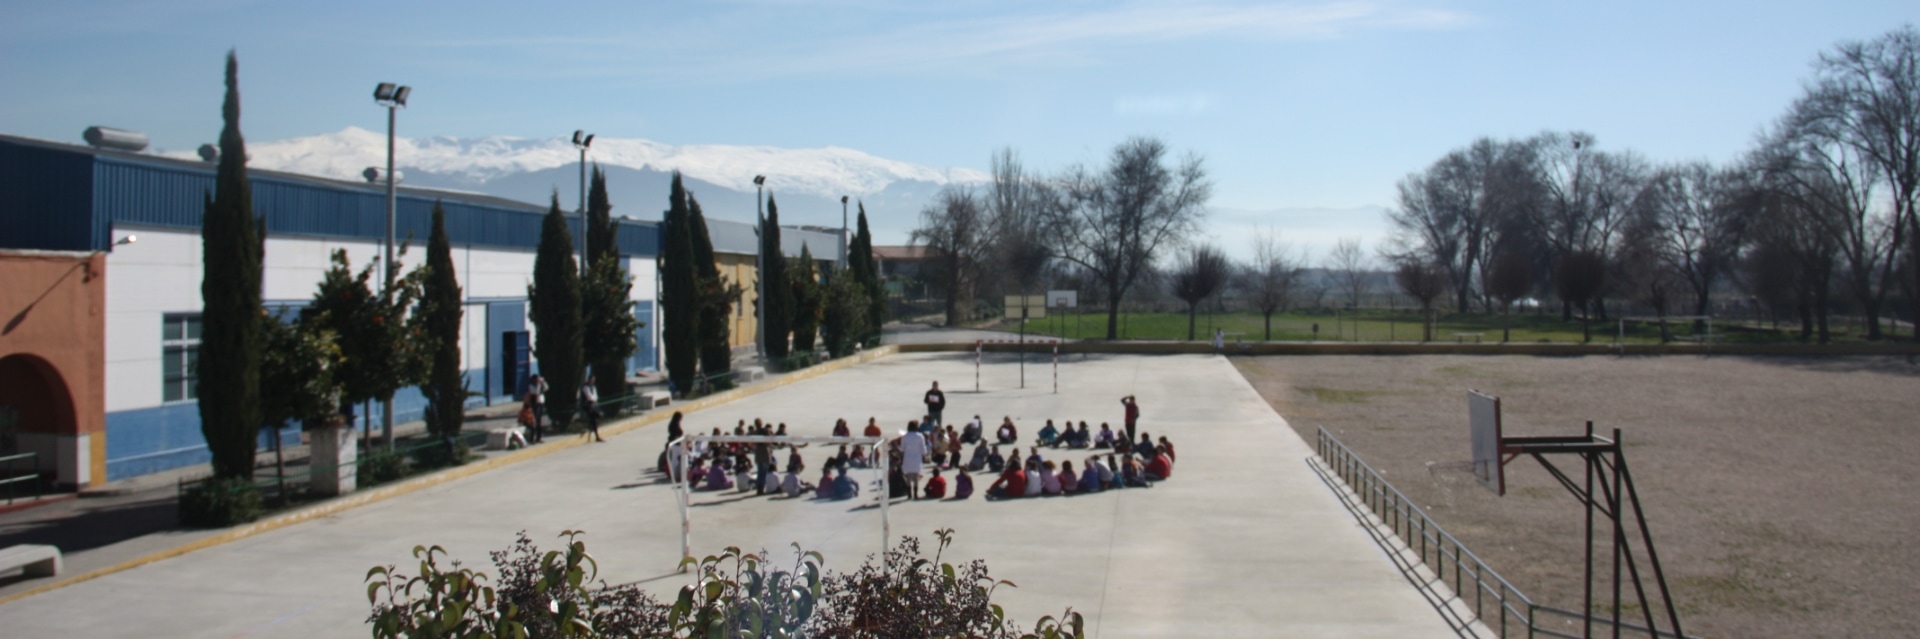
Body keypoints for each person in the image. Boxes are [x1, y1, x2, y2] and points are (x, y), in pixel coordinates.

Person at [898, 424, 929, 500]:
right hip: (917, 458)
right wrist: (925, 454)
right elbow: (923, 448)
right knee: (916, 477)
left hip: (907, 458)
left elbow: (902, 449)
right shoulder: (920, 436)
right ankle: (915, 494)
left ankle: (909, 494)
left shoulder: (905, 437)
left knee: (908, 477)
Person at [579, 376, 604, 442]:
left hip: (592, 405)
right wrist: (593, 399)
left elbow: (596, 396)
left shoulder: (593, 387)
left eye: (593, 380)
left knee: (596, 417)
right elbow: (589, 397)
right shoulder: (585, 387)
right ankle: (595, 433)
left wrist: (594, 400)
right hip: (586, 405)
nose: (592, 381)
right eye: (591, 380)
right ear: (589, 379)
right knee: (594, 417)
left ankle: (589, 428)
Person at [527, 374, 549, 442]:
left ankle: (539, 437)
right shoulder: (531, 386)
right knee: (534, 421)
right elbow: (536, 392)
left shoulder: (540, 384)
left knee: (539, 421)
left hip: (540, 403)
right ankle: (532, 438)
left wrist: (543, 382)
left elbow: (546, 388)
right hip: (534, 404)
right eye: (536, 379)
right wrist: (539, 384)